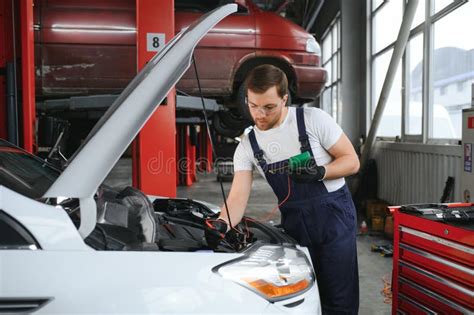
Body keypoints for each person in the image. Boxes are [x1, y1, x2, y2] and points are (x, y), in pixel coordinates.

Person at [205, 64, 360, 314]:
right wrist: (222, 223)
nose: (260, 115)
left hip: (333, 217)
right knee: (301, 295)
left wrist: (321, 172)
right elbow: (237, 197)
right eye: (253, 106)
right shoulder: (247, 145)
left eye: (269, 107)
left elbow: (352, 161)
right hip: (295, 223)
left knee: (338, 297)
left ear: (284, 99)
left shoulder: (312, 120)